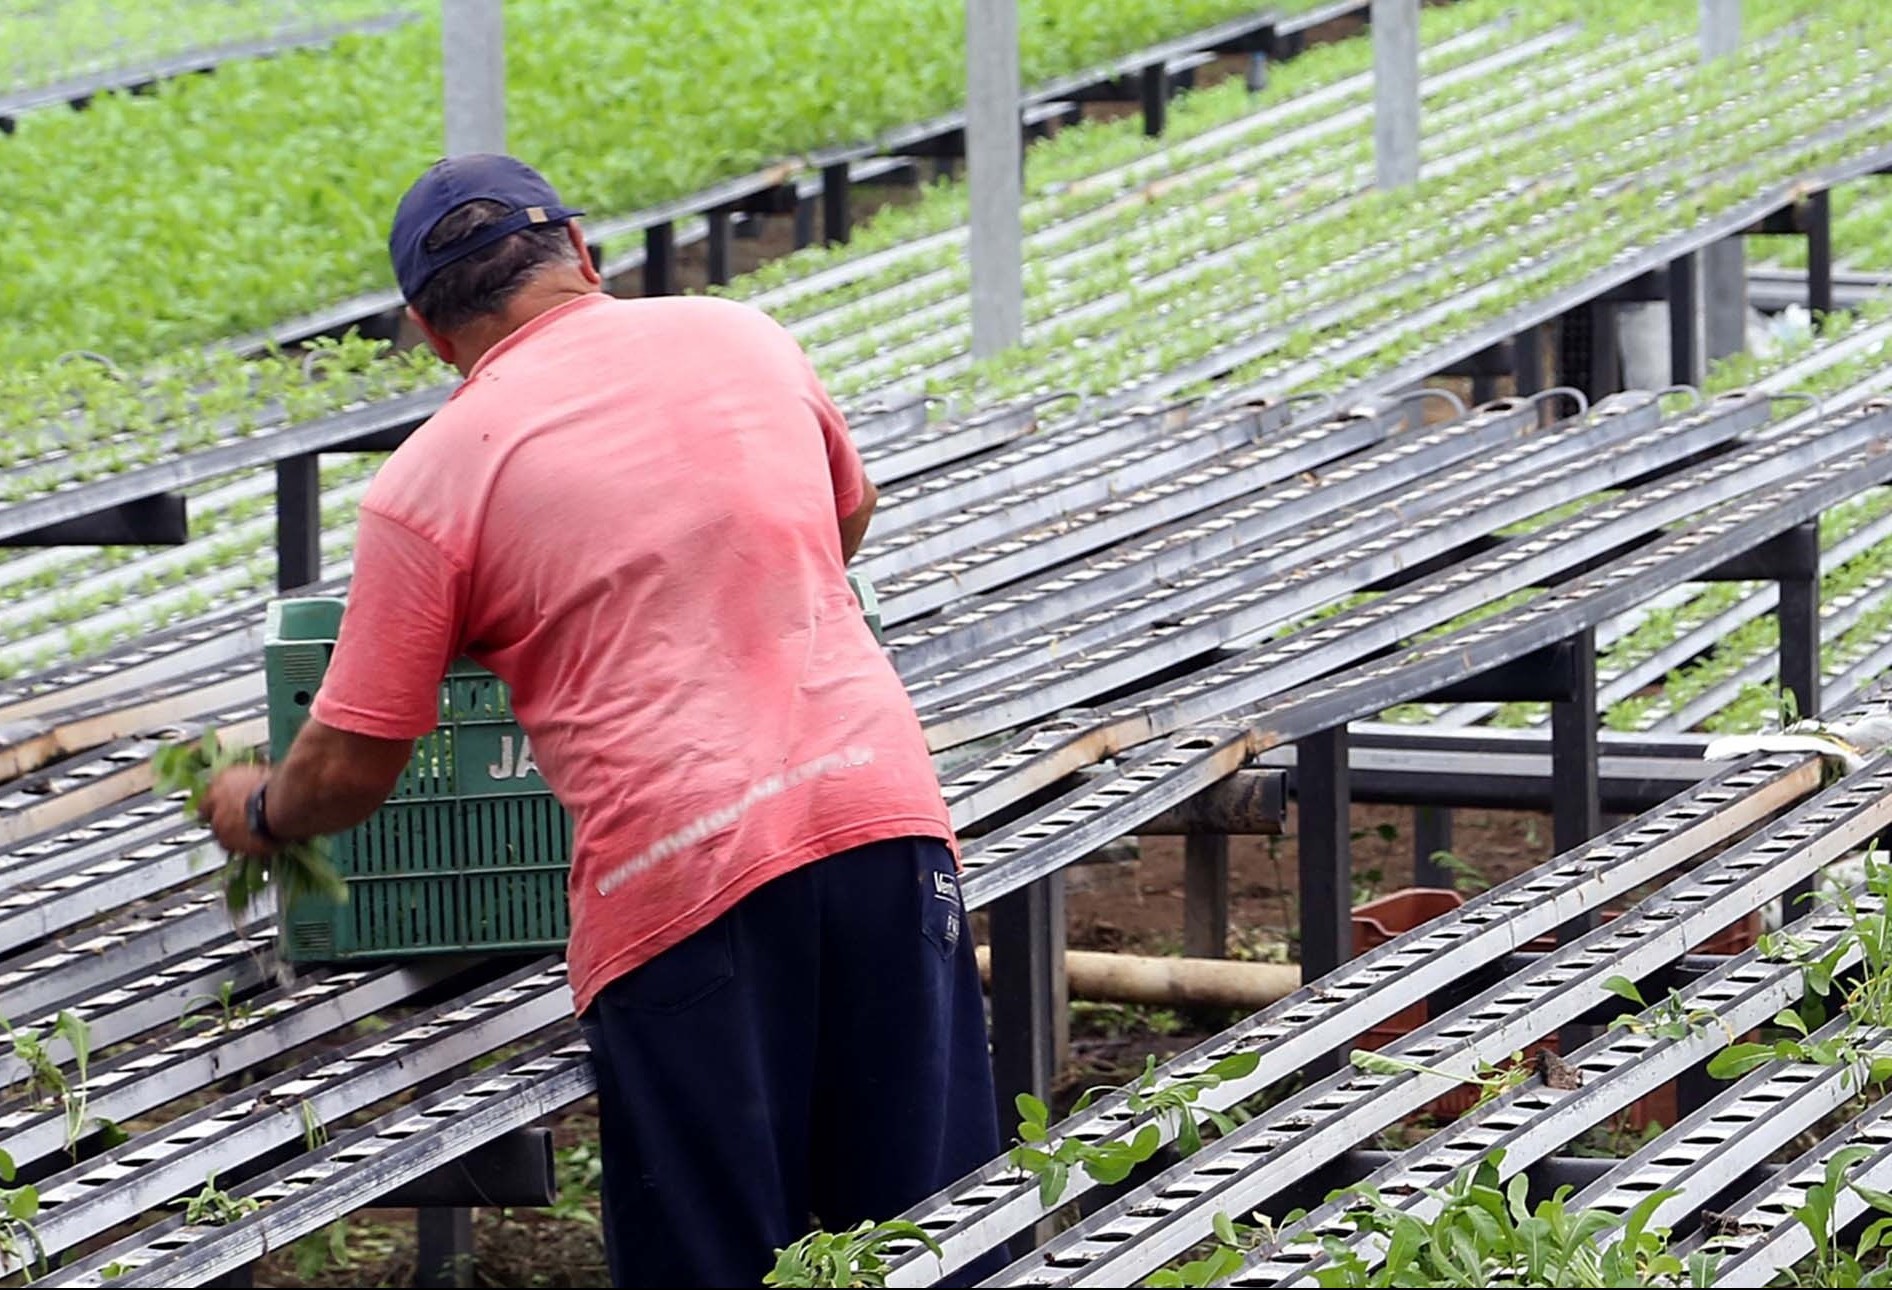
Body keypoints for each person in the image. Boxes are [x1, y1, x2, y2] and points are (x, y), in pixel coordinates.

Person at [201, 154, 1001, 1288]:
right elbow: (842, 515)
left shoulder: (429, 484)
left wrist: (263, 807)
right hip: (882, 817)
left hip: (682, 876)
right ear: (582, 253)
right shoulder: (742, 337)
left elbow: (355, 763)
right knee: (931, 1238)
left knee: (717, 1256)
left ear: (431, 337)